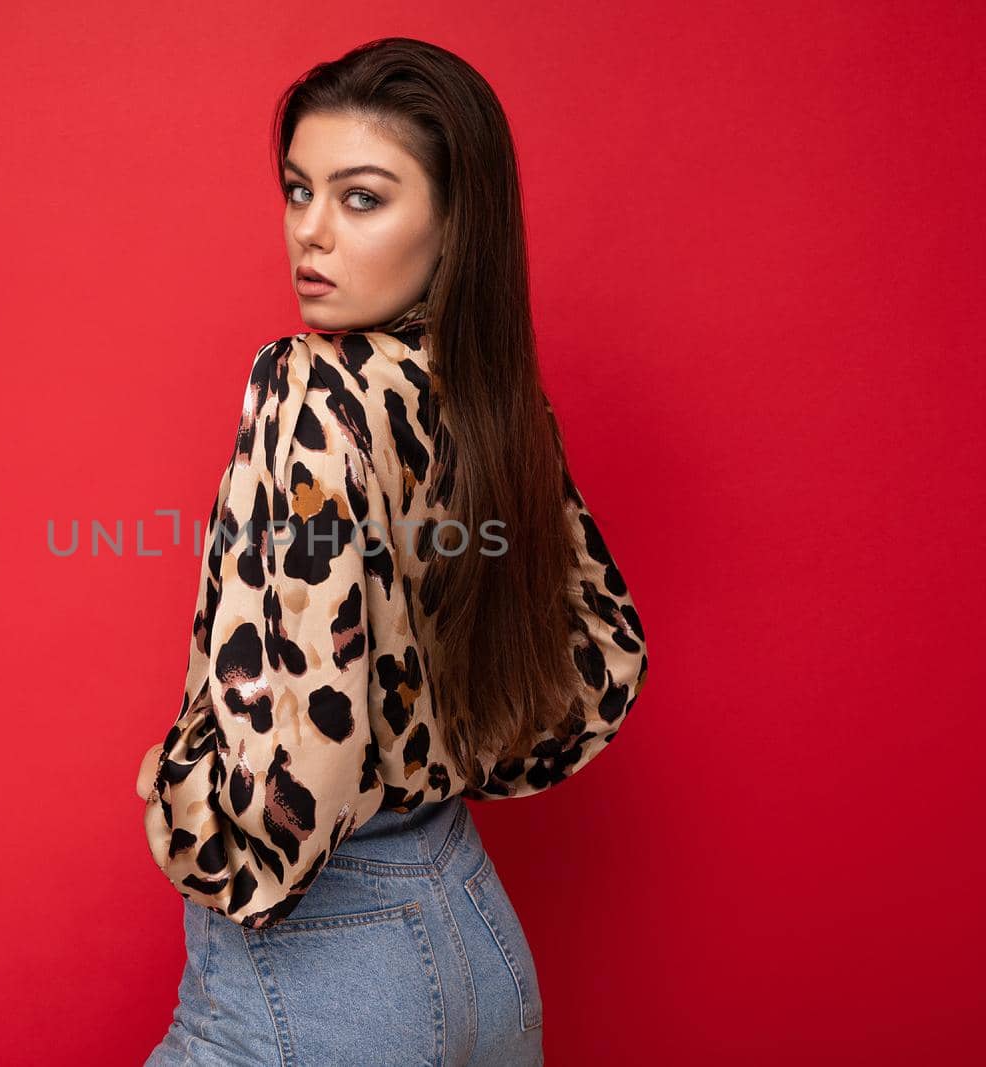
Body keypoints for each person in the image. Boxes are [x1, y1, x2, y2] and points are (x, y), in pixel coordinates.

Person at [135, 36, 649, 1066]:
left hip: (320, 972)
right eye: (296, 191)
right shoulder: (493, 397)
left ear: (454, 223)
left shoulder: (304, 384)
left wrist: (183, 804)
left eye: (361, 197)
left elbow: (305, 739)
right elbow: (602, 660)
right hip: (477, 934)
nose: (310, 232)